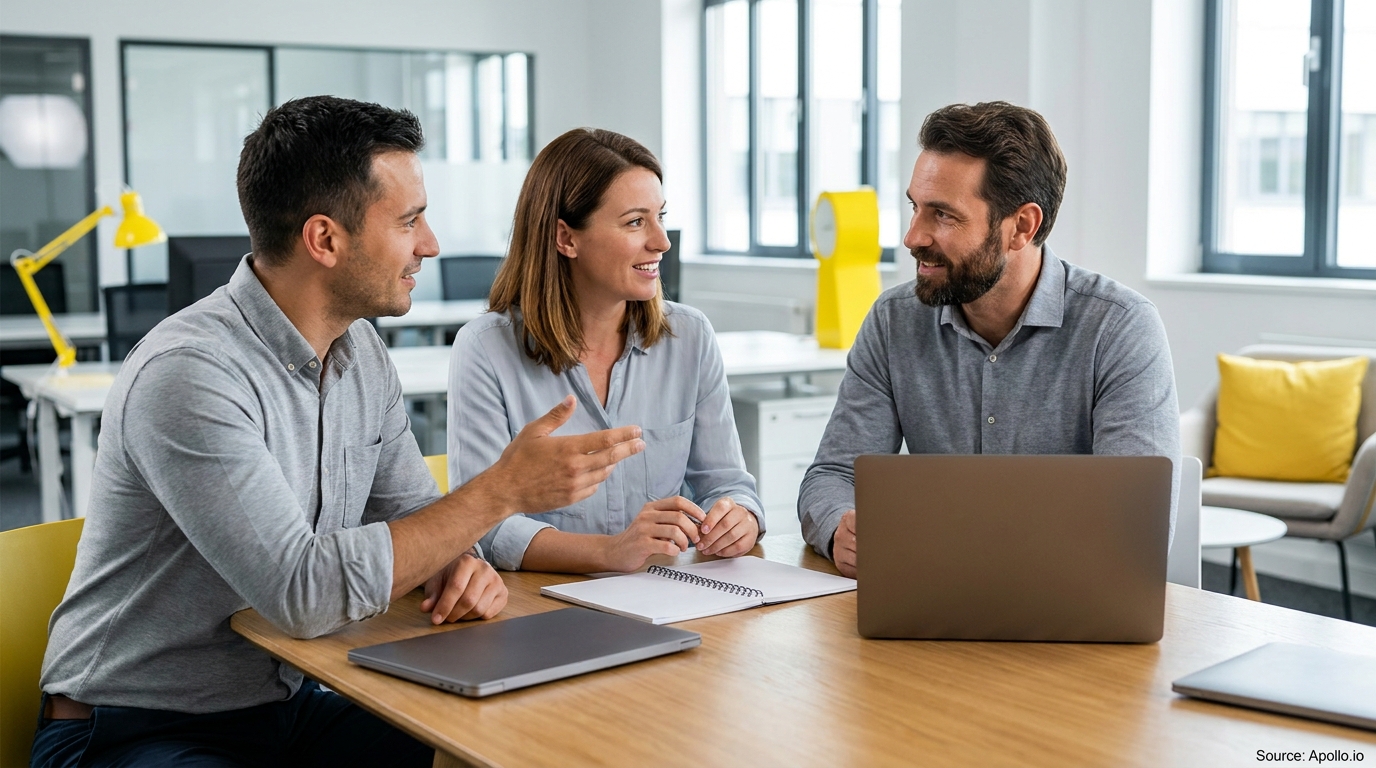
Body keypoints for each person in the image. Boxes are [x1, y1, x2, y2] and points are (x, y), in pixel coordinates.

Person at [32, 97, 643, 767]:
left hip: (289, 704)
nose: (430, 244)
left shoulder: (361, 356)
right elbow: (304, 594)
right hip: (137, 725)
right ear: (325, 239)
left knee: (511, 744)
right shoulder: (190, 374)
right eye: (409, 221)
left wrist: (459, 565)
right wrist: (499, 494)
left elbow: (418, 518)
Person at [799, 101, 1180, 578]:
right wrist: (842, 529)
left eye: (943, 215)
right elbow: (832, 476)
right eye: (915, 207)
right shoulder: (893, 321)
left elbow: (1133, 523)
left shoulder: (1120, 328)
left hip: (1067, 608)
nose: (912, 236)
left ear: (1022, 226)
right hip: (932, 600)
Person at [448, 128, 764, 574]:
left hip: (665, 598)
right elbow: (482, 526)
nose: (662, 241)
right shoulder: (485, 349)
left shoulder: (690, 336)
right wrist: (609, 552)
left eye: (660, 216)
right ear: (566, 238)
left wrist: (740, 516)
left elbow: (727, 484)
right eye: (636, 222)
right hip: (538, 611)